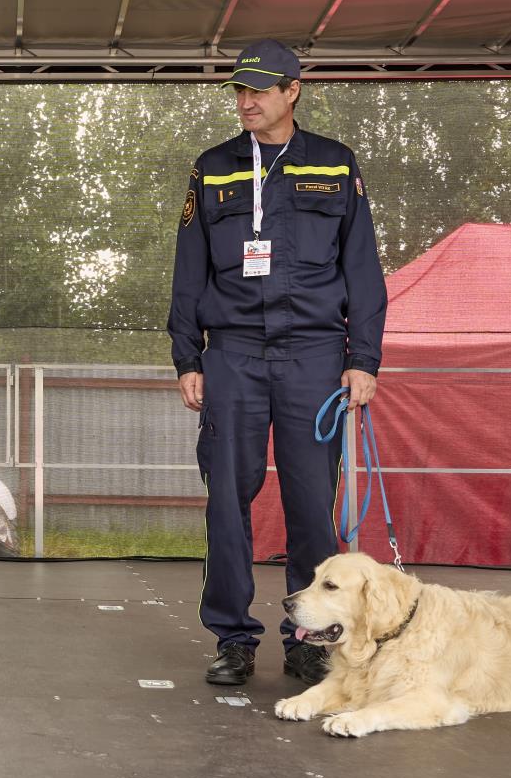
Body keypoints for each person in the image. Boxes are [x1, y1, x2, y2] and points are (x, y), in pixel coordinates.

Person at [166, 38, 387, 689]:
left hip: (314, 355)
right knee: (226, 502)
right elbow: (187, 272)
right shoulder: (212, 168)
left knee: (312, 506)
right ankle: (233, 639)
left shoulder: (335, 164)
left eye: (260, 89)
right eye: (240, 90)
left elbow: (364, 272)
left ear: (293, 91)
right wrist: (188, 355)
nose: (247, 101)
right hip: (232, 352)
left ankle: (310, 639)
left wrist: (363, 359)